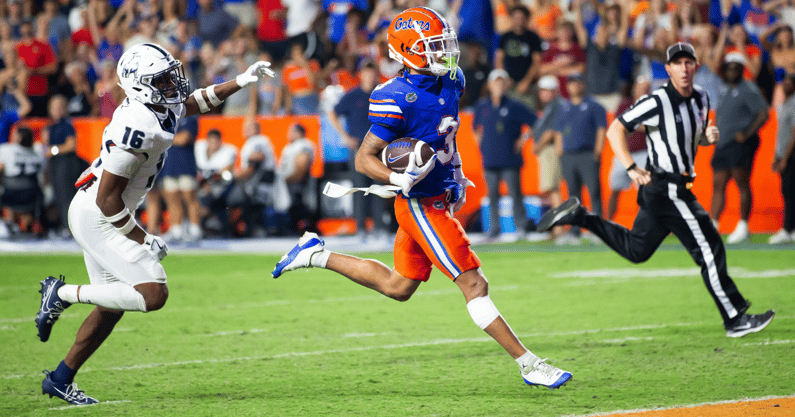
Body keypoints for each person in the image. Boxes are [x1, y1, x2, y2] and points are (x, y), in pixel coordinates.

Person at [272, 7, 572, 389]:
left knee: (399, 287)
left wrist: (458, 172)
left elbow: (446, 134)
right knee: (474, 285)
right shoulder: (395, 96)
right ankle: (529, 363)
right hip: (420, 204)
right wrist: (400, 175)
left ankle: (315, 253)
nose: (444, 52)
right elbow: (364, 159)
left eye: (444, 43)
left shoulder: (453, 79)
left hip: (438, 196)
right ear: (406, 51)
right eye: (433, 46)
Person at [34, 43, 274, 405]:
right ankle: (62, 293)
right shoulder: (138, 125)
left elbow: (193, 102)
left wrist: (241, 80)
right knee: (153, 293)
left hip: (102, 211)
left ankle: (60, 377)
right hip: (97, 214)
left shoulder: (155, 105)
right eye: (162, 79)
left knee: (112, 307)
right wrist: (143, 238)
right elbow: (106, 199)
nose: (172, 83)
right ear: (141, 85)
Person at [537, 42, 775, 338]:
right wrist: (630, 167)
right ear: (668, 69)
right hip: (667, 187)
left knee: (637, 250)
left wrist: (706, 137)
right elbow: (615, 130)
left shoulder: (701, 98)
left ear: (696, 67)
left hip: (670, 188)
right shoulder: (657, 100)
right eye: (678, 63)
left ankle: (581, 217)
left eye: (689, 62)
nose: (684, 68)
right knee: (709, 247)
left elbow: (694, 136)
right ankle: (734, 318)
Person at [710, 52, 769, 244]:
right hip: (723, 142)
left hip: (740, 143)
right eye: (729, 67)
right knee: (718, 183)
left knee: (741, 182)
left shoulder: (748, 88)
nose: (732, 70)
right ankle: (713, 225)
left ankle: (743, 225)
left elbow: (763, 113)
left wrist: (747, 133)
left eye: (736, 67)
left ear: (742, 70)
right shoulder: (724, 87)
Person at [327, 61, 388, 240]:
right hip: (360, 147)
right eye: (366, 73)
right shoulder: (353, 96)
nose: (369, 77)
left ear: (376, 75)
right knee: (360, 187)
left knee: (378, 187)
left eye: (372, 73)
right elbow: (333, 113)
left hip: (378, 147)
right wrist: (344, 137)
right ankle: (361, 227)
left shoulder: (382, 95)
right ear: (361, 75)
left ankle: (380, 227)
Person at [473, 68, 536, 239]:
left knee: (515, 193)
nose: (499, 85)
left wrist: (523, 139)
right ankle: (494, 229)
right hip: (490, 158)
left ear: (507, 84)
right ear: (490, 85)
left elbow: (534, 121)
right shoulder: (483, 106)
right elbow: (475, 129)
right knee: (492, 194)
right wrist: (482, 145)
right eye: (496, 82)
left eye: (502, 82)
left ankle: (521, 227)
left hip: (510, 157)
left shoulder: (514, 105)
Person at [553, 73, 606, 241]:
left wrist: (597, 151)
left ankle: (597, 230)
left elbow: (601, 129)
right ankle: (575, 231)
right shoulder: (564, 107)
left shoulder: (594, 106)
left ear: (583, 85)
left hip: (587, 153)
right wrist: (561, 151)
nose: (575, 86)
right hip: (569, 155)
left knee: (594, 192)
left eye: (578, 83)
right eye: (572, 83)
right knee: (573, 195)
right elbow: (559, 131)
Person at [42, 95, 88, 238]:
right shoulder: (50, 127)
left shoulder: (66, 125)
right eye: (54, 107)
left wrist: (54, 150)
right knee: (58, 196)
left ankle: (71, 229)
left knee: (66, 195)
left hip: (66, 163)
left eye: (60, 106)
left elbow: (71, 145)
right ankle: (65, 226)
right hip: (55, 164)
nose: (57, 110)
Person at [607, 78, 651, 221]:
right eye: (640, 87)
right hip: (623, 153)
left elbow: (653, 127)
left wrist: (632, 125)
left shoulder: (652, 106)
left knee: (644, 191)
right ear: (634, 89)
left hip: (644, 154)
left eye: (646, 88)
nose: (643, 91)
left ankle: (643, 226)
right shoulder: (626, 104)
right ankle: (608, 223)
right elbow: (618, 126)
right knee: (615, 190)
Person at [159, 113, 202, 243]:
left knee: (190, 197)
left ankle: (195, 229)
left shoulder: (190, 118)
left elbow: (185, 138)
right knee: (172, 199)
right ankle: (176, 230)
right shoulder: (166, 116)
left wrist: (164, 137)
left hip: (185, 164)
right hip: (169, 164)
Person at [532, 75, 565, 240]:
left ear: (554, 91)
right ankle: (557, 227)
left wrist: (537, 147)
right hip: (547, 150)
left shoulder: (557, 105)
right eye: (542, 90)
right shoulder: (550, 107)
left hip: (549, 149)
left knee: (553, 189)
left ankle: (559, 229)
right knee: (551, 190)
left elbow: (552, 131)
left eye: (547, 90)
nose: (543, 93)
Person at [0, 126, 44, 237]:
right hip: (32, 194)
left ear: (18, 137)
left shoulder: (6, 149)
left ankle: (9, 224)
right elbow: (45, 175)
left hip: (11, 193)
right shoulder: (39, 150)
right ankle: (26, 227)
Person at [195, 129, 239, 236]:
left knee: (209, 198)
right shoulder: (198, 148)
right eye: (211, 141)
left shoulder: (228, 151)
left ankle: (203, 225)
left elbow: (226, 171)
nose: (214, 145)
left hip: (219, 185)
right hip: (199, 185)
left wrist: (209, 182)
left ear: (220, 141)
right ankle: (196, 226)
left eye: (216, 142)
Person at [770, 74, 795, 244]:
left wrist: (785, 158)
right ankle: (790, 228)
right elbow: (781, 133)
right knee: (787, 192)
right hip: (784, 153)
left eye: (789, 83)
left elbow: (794, 133)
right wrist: (776, 155)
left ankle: (788, 229)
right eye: (784, 82)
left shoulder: (793, 103)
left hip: (792, 155)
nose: (785, 85)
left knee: (790, 192)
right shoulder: (786, 102)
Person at [279, 122, 316, 234]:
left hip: (295, 183)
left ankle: (300, 229)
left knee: (297, 206)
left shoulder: (303, 144)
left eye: (292, 132)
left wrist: (289, 179)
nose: (289, 134)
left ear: (299, 133)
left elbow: (301, 167)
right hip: (288, 182)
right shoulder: (290, 146)